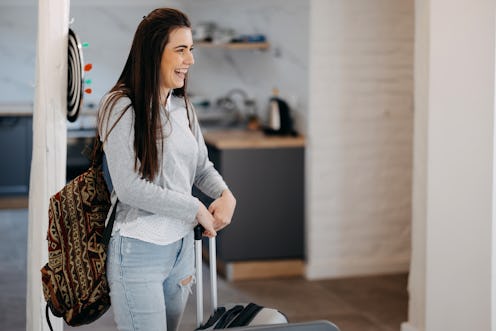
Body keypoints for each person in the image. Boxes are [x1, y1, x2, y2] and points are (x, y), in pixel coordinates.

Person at [97, 8, 236, 331]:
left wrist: (225, 194)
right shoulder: (121, 105)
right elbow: (129, 186)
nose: (190, 60)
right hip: (137, 250)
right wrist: (194, 207)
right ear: (153, 52)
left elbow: (201, 166)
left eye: (192, 50)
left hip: (182, 251)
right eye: (181, 50)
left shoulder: (182, 105)